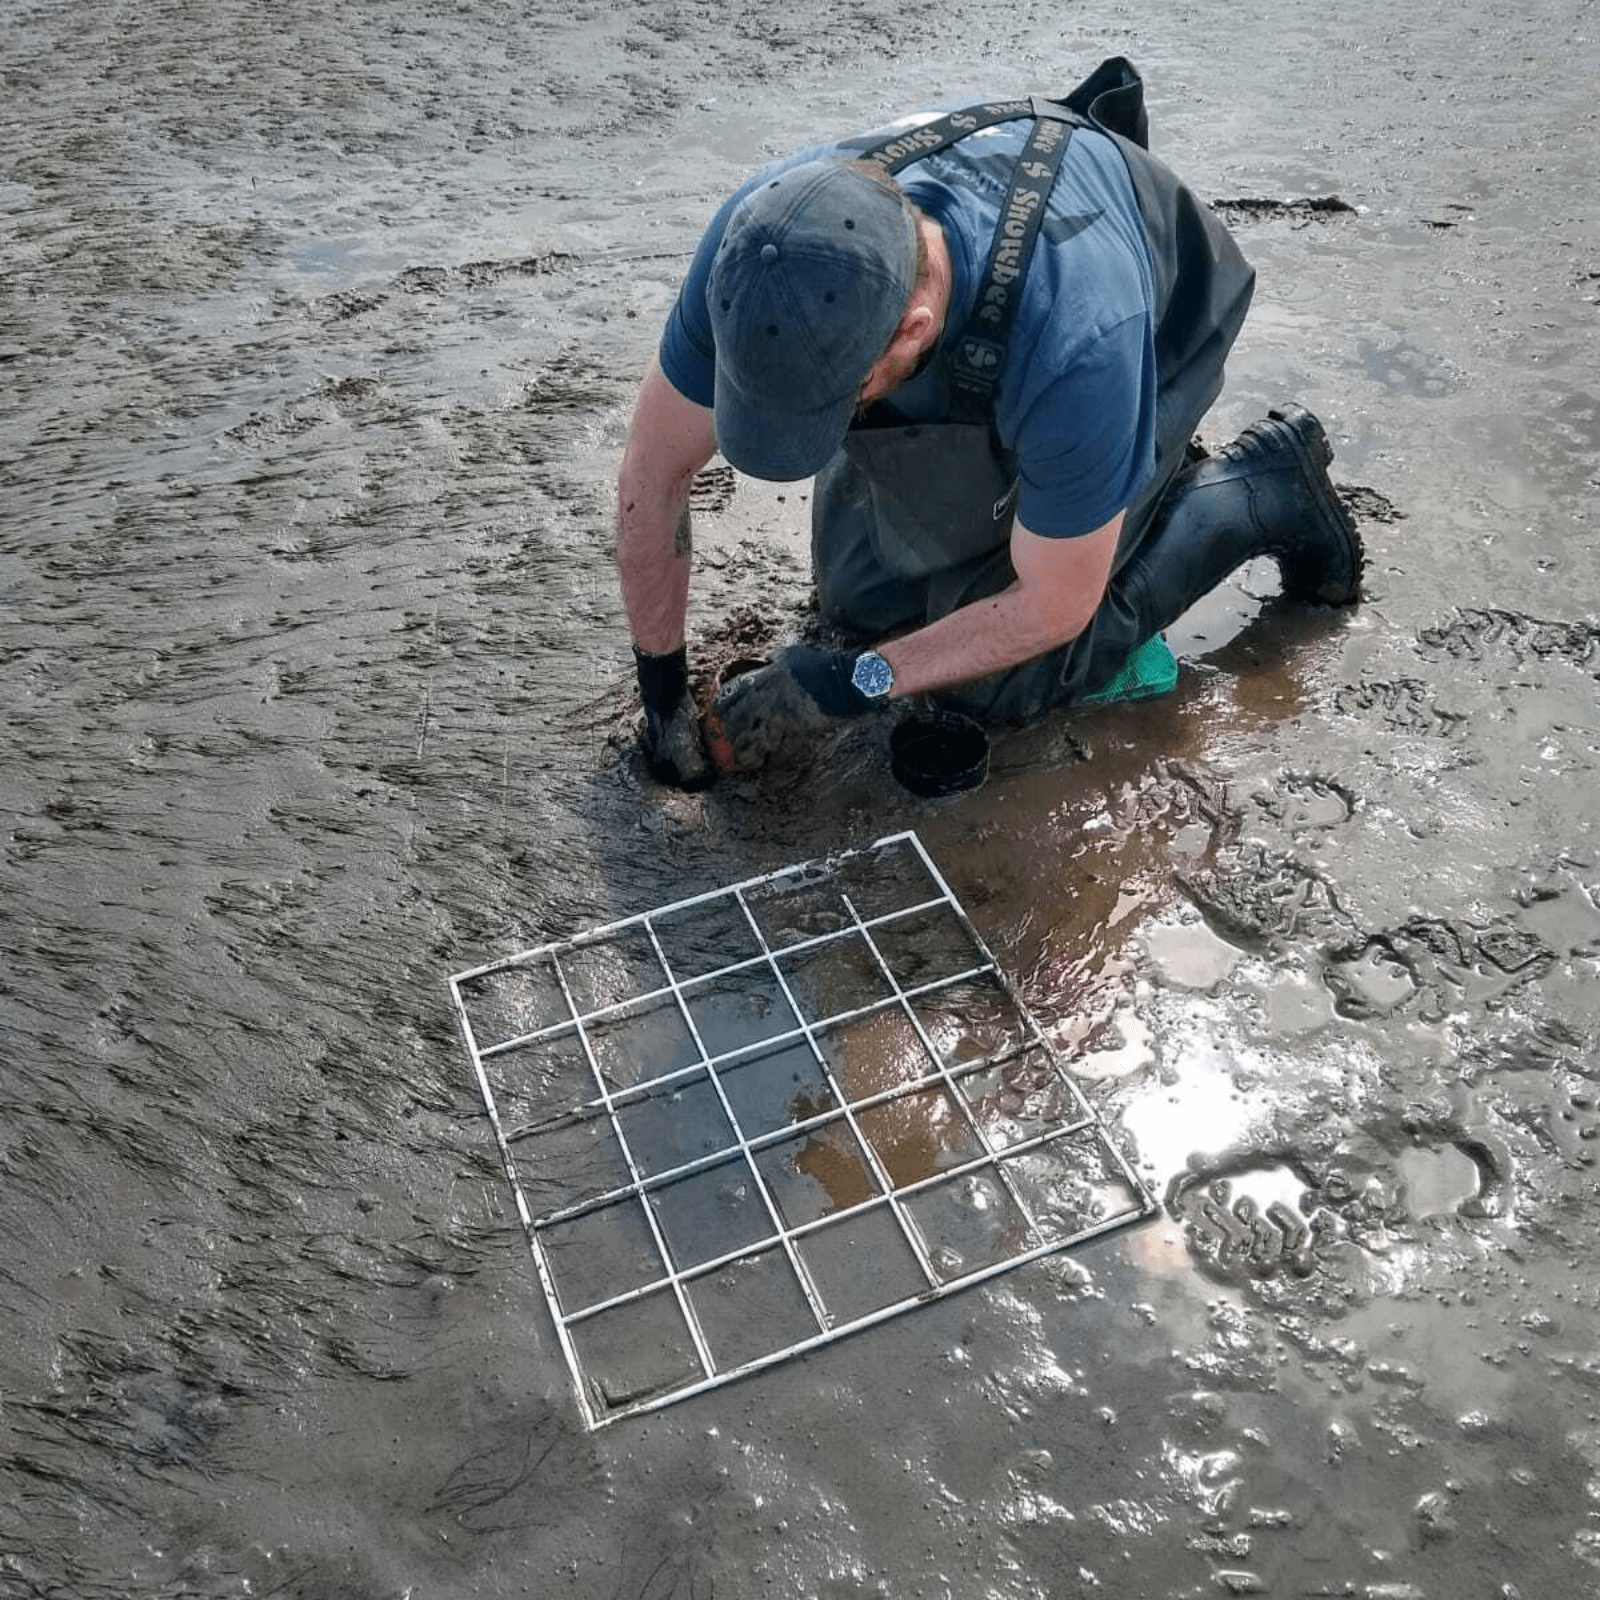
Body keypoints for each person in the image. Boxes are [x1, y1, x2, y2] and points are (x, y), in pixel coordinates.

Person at [614, 61, 1364, 788]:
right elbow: (655, 472)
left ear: (909, 330)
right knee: (859, 605)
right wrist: (663, 691)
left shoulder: (1081, 339)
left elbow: (1050, 607)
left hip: (1162, 328)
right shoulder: (762, 254)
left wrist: (857, 681)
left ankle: (1257, 485)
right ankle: (1080, 489)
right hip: (989, 340)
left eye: (836, 400)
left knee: (997, 680)